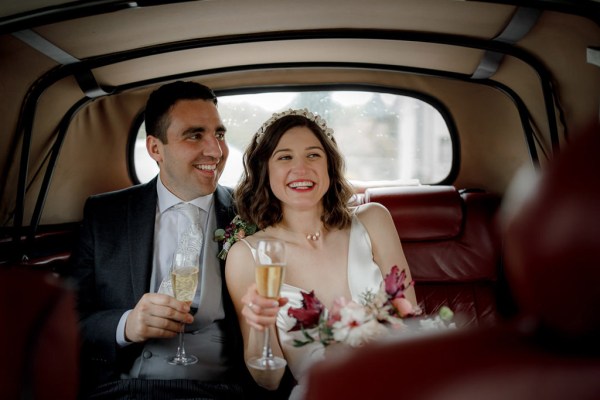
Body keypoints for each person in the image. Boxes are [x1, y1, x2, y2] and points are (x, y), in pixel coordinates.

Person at [71, 81, 249, 399]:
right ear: (155, 148)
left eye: (219, 134)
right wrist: (126, 324)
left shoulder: (251, 214)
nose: (216, 151)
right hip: (123, 388)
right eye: (195, 135)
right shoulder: (105, 214)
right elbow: (71, 319)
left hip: (224, 389)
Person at [224, 109, 417, 397]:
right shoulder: (247, 255)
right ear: (265, 169)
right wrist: (261, 327)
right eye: (285, 157)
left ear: (329, 165)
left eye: (313, 155)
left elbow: (410, 320)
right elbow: (269, 380)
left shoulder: (374, 220)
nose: (301, 169)